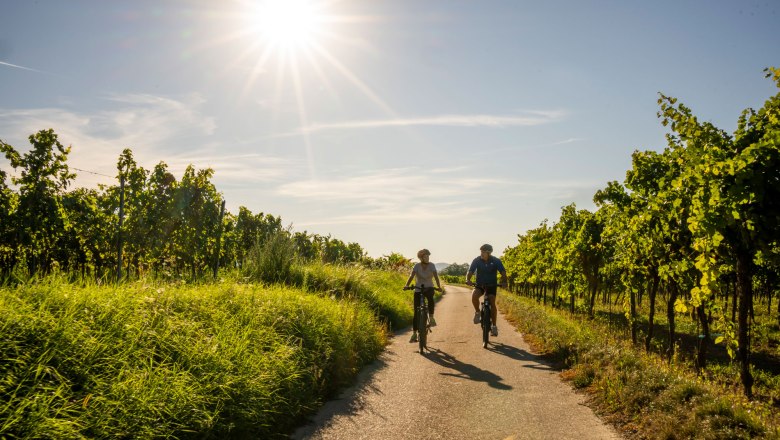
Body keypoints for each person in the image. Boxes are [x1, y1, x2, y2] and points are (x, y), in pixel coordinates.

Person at [466, 244, 507, 337]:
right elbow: (470, 271)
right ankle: (477, 312)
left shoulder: (496, 261)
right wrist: (468, 279)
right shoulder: (477, 260)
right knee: (474, 296)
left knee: (492, 303)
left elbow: (503, 272)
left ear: (489, 253)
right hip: (480, 285)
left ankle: (494, 326)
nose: (481, 254)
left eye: (483, 252)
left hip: (491, 285)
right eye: (481, 252)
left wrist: (505, 282)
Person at [404, 248, 443, 343]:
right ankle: (414, 333)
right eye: (425, 256)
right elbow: (411, 276)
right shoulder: (417, 266)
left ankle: (432, 317)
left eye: (428, 256)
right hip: (418, 289)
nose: (427, 257)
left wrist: (438, 286)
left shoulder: (432, 265)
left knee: (430, 299)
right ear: (421, 257)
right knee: (416, 312)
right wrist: (407, 285)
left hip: (429, 288)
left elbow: (436, 277)